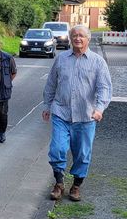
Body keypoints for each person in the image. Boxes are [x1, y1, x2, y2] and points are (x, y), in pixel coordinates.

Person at [42, 25, 112, 202]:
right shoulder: (61, 59)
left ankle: (76, 186)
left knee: (82, 153)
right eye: (74, 35)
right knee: (57, 148)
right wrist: (47, 106)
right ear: (70, 38)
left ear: (88, 39)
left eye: (81, 36)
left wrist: (99, 108)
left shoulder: (98, 62)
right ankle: (59, 183)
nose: (77, 38)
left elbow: (104, 88)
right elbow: (51, 83)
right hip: (61, 112)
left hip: (86, 116)